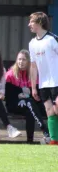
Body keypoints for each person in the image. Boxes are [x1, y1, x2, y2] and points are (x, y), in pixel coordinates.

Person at [5, 49, 50, 144]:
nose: (21, 62)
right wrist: (21, 95)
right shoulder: (10, 75)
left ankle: (30, 141)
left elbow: (36, 95)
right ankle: (45, 131)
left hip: (31, 104)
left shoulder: (33, 74)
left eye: (24, 59)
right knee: (29, 102)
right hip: (14, 104)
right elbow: (8, 96)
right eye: (19, 59)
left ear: (28, 61)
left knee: (34, 109)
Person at [28, 12, 58, 145]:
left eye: (32, 22)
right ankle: (54, 141)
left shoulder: (52, 39)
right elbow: (33, 66)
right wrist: (34, 87)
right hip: (44, 84)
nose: (29, 24)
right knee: (49, 111)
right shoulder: (32, 43)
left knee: (57, 109)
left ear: (40, 23)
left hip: (57, 81)